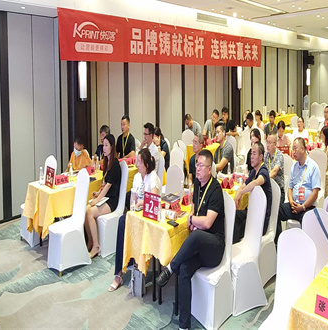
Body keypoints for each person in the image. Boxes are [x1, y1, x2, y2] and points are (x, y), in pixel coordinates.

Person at [155, 150, 225, 330]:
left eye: (201, 165)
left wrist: (192, 220)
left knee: (196, 236)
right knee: (184, 269)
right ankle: (184, 325)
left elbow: (208, 222)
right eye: (196, 165)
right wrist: (193, 218)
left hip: (214, 247)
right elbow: (194, 207)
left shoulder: (215, 189)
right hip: (199, 246)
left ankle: (170, 267)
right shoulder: (197, 184)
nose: (197, 168)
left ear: (209, 169)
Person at [109, 148, 161, 292]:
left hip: (149, 218)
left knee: (127, 223)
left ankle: (133, 264)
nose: (137, 164)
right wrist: (134, 202)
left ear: (146, 164)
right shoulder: (137, 177)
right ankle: (118, 273)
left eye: (139, 162)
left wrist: (140, 203)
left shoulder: (153, 177)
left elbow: (154, 200)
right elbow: (134, 199)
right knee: (122, 222)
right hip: (137, 215)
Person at [85, 134, 121, 258]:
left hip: (112, 200)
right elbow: (104, 184)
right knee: (86, 210)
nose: (104, 148)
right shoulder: (106, 162)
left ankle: (96, 246)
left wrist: (97, 200)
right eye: (103, 145)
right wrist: (98, 194)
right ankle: (90, 241)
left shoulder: (115, 164)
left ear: (112, 147)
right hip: (105, 197)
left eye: (106, 145)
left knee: (90, 212)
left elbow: (108, 187)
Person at [233, 141, 272, 243]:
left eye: (254, 154)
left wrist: (241, 193)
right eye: (251, 154)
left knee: (241, 225)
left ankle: (239, 246)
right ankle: (233, 246)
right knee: (235, 216)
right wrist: (237, 193)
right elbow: (244, 185)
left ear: (261, 157)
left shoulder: (263, 171)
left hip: (261, 217)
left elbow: (256, 183)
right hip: (252, 212)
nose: (251, 157)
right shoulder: (254, 171)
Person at [278, 137, 321, 229]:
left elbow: (315, 193)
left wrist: (303, 207)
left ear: (302, 149)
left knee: (307, 221)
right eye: (292, 149)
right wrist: (291, 202)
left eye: (295, 148)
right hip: (294, 205)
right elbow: (290, 188)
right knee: (277, 211)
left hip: (307, 207)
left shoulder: (313, 167)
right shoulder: (294, 166)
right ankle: (278, 237)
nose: (293, 152)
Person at [264, 134, 284, 241]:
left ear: (275, 144)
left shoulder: (279, 155)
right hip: (268, 190)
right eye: (266, 142)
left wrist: (263, 179)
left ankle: (278, 240)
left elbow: (274, 172)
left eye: (270, 143)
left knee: (276, 214)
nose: (267, 145)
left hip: (279, 191)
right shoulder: (265, 155)